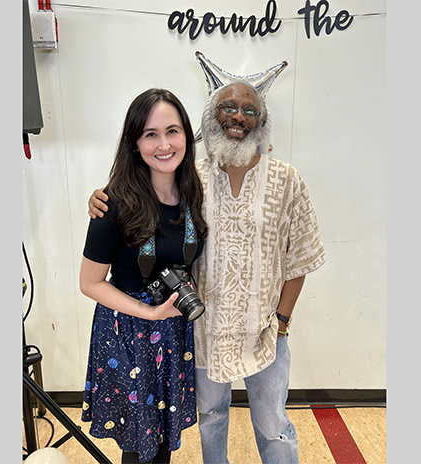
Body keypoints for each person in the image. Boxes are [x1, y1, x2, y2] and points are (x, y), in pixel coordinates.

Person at [88, 81, 325, 464]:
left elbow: (300, 256)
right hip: (201, 331)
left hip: (264, 332)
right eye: (228, 107)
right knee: (210, 418)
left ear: (262, 122)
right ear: (210, 119)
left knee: (273, 427)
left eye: (250, 111)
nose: (238, 117)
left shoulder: (286, 180)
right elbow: (142, 195)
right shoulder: (190, 178)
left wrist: (282, 322)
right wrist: (102, 198)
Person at [79, 88, 208, 464]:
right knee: (139, 446)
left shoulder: (192, 194)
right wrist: (149, 312)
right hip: (129, 334)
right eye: (150, 134)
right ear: (135, 143)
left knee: (163, 440)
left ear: (187, 135)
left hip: (172, 330)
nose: (164, 144)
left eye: (173, 131)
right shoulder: (113, 202)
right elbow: (89, 283)